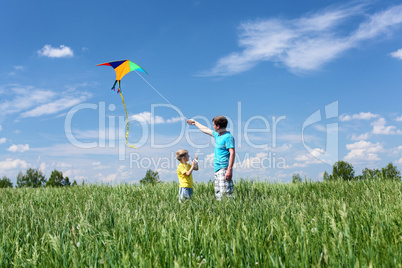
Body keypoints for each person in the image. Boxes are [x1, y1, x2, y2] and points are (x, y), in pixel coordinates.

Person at [187, 116, 235, 200]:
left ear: (218, 126)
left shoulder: (228, 137)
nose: (213, 127)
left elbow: (232, 153)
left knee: (226, 194)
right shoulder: (218, 135)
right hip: (217, 169)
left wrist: (229, 170)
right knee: (218, 194)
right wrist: (194, 122)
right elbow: (205, 129)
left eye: (214, 125)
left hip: (224, 169)